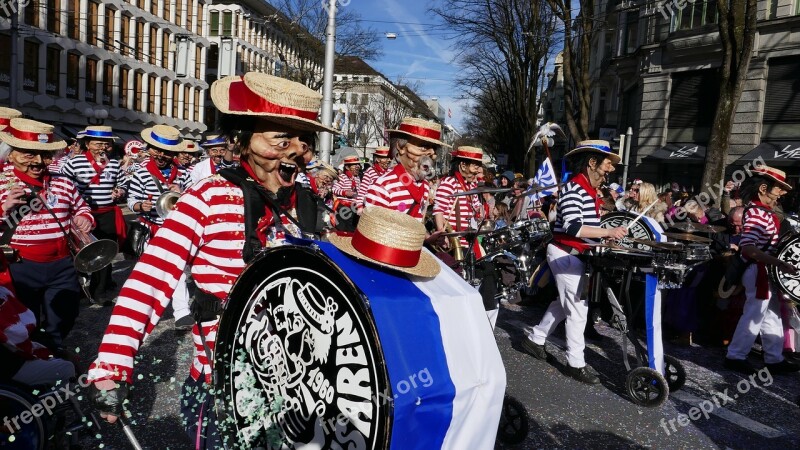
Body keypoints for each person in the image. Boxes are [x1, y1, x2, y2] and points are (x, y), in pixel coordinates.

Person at [87, 72, 331, 448]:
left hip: (295, 388)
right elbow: (150, 277)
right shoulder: (209, 194)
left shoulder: (306, 202)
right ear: (240, 141)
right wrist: (112, 366)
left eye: (304, 139)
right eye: (280, 138)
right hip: (221, 384)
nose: (295, 149)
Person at [521, 140, 626, 384]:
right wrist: (607, 233)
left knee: (563, 303)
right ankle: (575, 363)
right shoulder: (574, 189)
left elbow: (586, 229)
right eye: (607, 163)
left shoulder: (589, 191)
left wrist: (603, 241)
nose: (610, 169)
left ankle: (535, 339)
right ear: (592, 162)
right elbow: (571, 226)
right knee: (578, 310)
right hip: (565, 253)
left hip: (573, 254)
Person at [0, 118, 95, 348]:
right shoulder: (2, 184)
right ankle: (32, 358)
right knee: (24, 320)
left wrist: (84, 217)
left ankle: (54, 348)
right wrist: (3, 209)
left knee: (66, 313)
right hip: (20, 266)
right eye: (29, 154)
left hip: (62, 264)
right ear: (11, 154)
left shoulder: (63, 182)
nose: (38, 162)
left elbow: (81, 206)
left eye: (44, 155)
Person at [724, 167, 799, 375]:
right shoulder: (757, 213)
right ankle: (735, 356)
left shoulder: (761, 211)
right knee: (753, 315)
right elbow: (749, 249)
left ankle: (774, 359)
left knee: (771, 314)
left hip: (762, 270)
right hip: (758, 271)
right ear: (763, 188)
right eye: (777, 190)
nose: (779, 194)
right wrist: (779, 262)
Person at [60, 126, 128, 301]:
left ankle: (100, 291)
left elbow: (123, 183)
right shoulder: (74, 163)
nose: (102, 148)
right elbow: (62, 185)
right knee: (80, 251)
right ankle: (79, 288)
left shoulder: (113, 163)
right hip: (82, 216)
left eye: (106, 144)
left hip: (107, 214)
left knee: (105, 252)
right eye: (98, 144)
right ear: (88, 144)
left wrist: (119, 191)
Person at [363, 117, 443, 223]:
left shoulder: (424, 185)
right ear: (401, 147)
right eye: (424, 147)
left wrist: (429, 238)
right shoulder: (383, 186)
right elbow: (372, 232)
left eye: (434, 149)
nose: (432, 154)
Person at [331, 154, 361, 230]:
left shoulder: (357, 178)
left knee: (353, 227)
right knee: (344, 227)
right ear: (347, 167)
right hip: (343, 206)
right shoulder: (342, 177)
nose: (357, 166)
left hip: (354, 207)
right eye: (354, 165)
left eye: (358, 164)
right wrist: (345, 192)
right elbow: (334, 189)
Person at [356, 146, 391, 211]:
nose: (389, 160)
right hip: (373, 208)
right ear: (377, 159)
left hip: (387, 209)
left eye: (389, 158)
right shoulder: (370, 171)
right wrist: (360, 207)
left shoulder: (390, 172)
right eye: (385, 158)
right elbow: (362, 192)